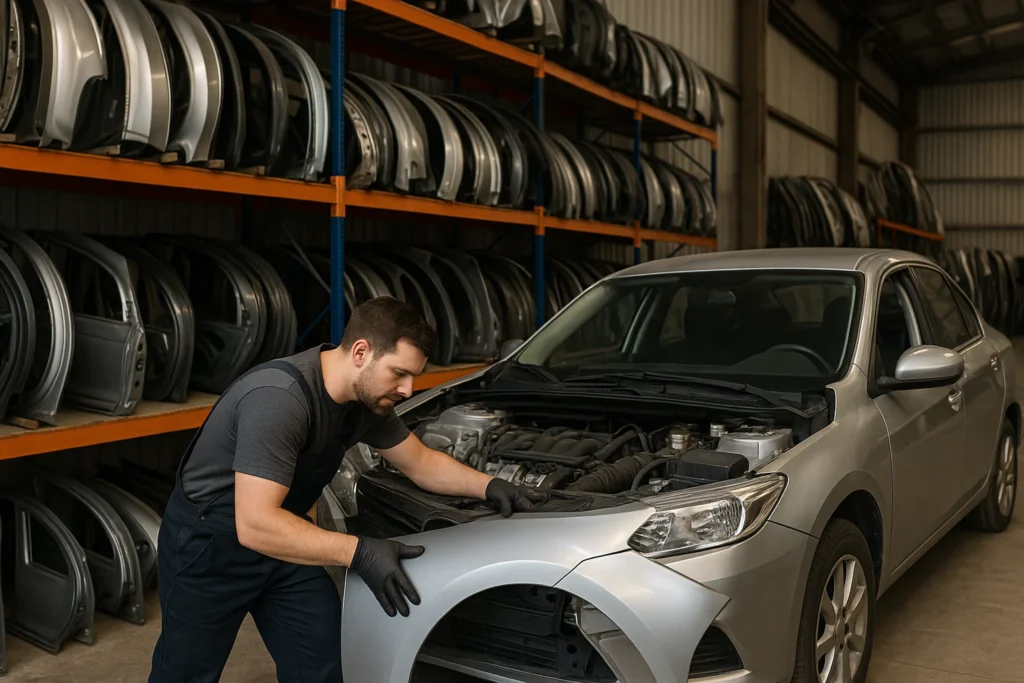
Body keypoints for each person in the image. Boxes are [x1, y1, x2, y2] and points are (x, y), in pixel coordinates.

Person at [148, 296, 543, 683]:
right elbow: (252, 524)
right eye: (399, 373)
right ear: (360, 352)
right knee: (186, 673)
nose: (407, 390)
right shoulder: (279, 400)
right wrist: (359, 552)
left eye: (413, 377)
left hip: (286, 538)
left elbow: (420, 463)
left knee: (322, 661)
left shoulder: (367, 401)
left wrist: (489, 486)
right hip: (211, 547)